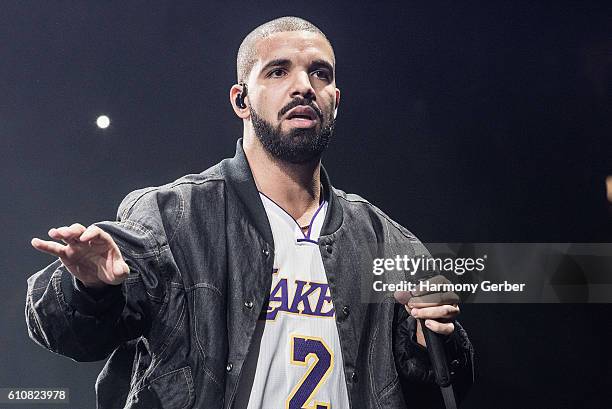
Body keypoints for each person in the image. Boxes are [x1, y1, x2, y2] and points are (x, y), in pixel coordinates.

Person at [26, 16, 474, 409]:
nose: (303, 85)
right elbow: (68, 334)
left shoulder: (385, 240)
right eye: (278, 71)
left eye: (320, 74)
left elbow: (440, 385)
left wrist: (432, 340)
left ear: (336, 99)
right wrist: (89, 290)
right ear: (241, 100)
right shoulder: (174, 215)